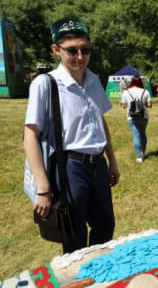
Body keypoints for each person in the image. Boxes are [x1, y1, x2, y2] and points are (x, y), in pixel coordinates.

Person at [24, 17, 119, 253]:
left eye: (85, 49)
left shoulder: (94, 79)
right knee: (74, 234)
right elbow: (30, 135)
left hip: (97, 164)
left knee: (106, 228)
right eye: (72, 50)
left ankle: (99, 276)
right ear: (56, 50)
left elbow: (100, 121)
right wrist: (43, 186)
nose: (79, 56)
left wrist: (112, 161)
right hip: (69, 167)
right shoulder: (45, 84)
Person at [120, 75, 152, 163]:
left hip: (131, 117)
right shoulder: (145, 91)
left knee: (135, 135)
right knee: (143, 133)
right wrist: (142, 105)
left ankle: (139, 157)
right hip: (144, 116)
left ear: (131, 82)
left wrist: (130, 105)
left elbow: (123, 105)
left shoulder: (126, 92)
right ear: (140, 82)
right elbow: (149, 105)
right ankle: (143, 152)